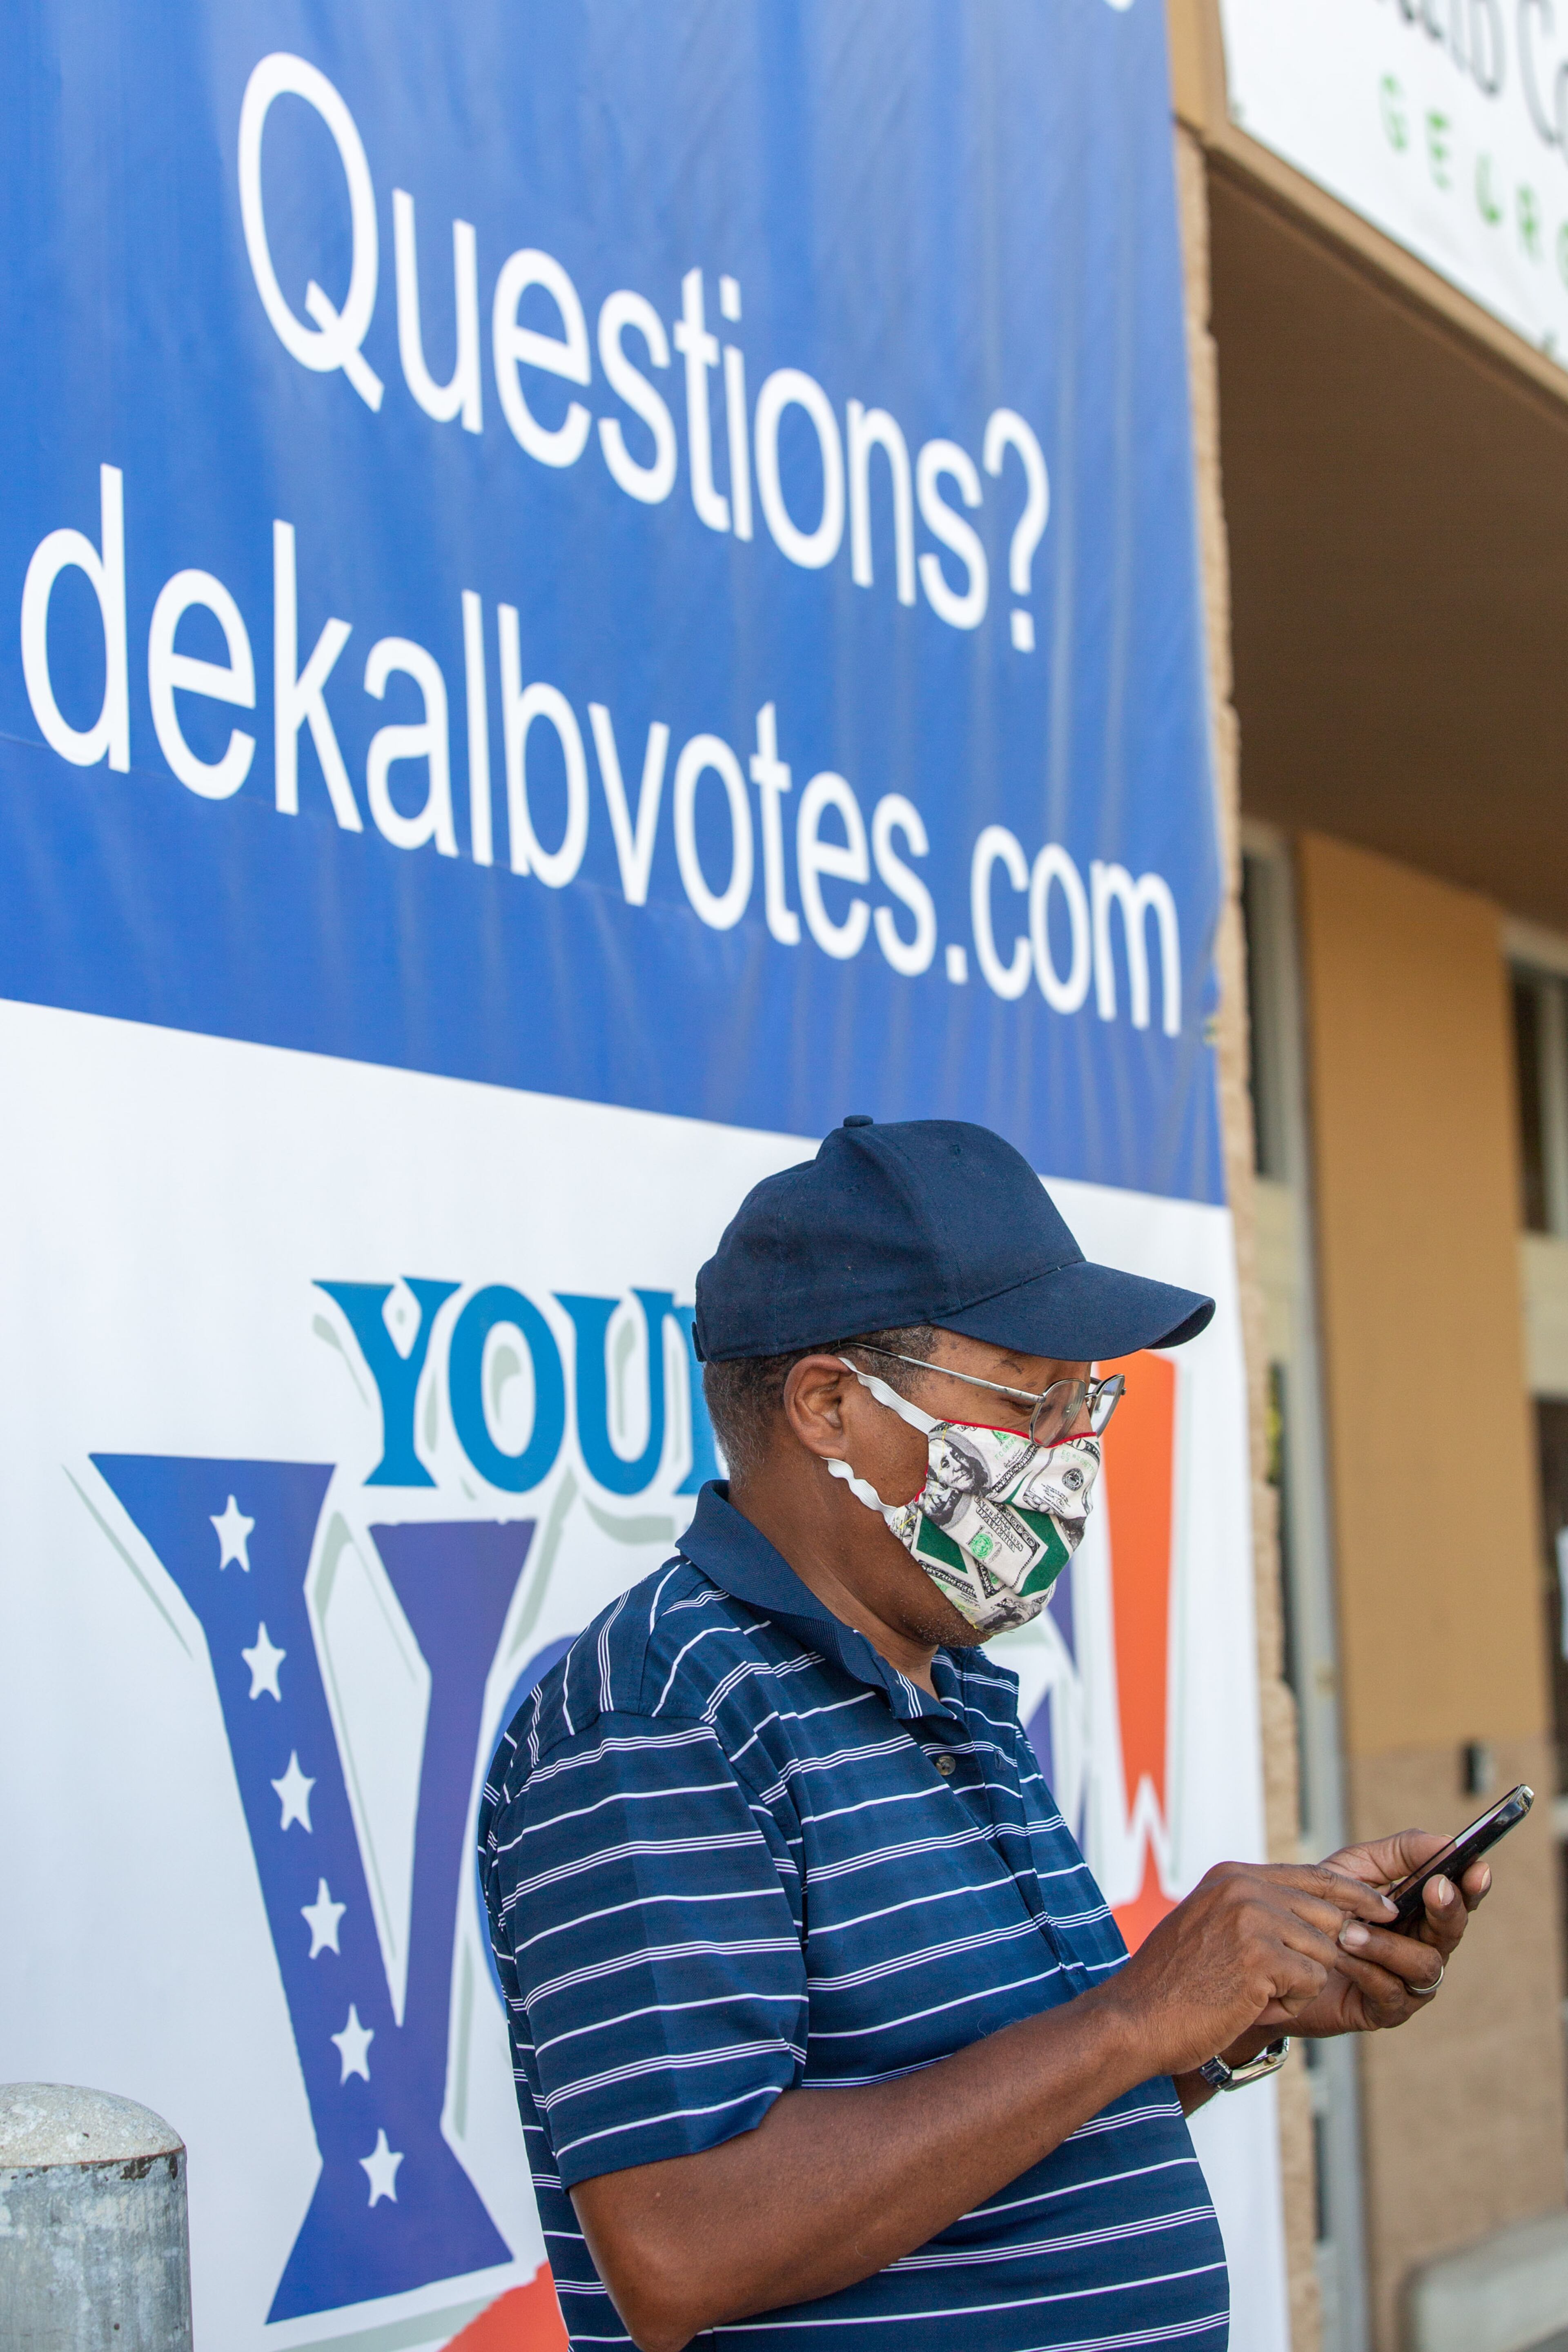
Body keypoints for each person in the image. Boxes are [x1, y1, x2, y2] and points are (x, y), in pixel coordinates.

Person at [479, 1116, 1487, 2352]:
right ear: (832, 1407)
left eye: (1087, 1401)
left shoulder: (951, 1687)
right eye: (1030, 1397)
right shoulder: (657, 1719)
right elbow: (680, 2244)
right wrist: (1135, 2013)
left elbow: (988, 2125)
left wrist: (1236, 2014)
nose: (1073, 1450)